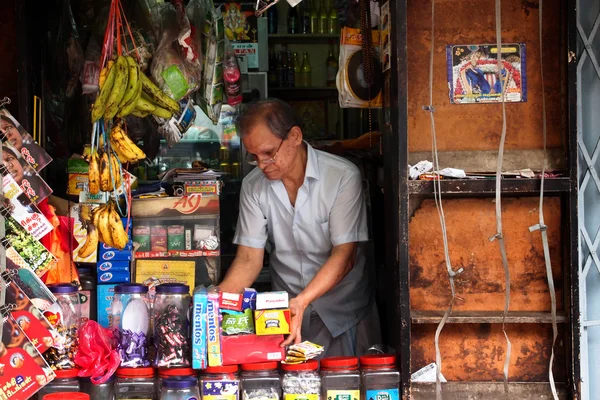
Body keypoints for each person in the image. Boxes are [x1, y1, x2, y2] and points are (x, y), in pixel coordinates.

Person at [218, 99, 380, 358]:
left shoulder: (341, 177)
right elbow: (249, 259)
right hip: (287, 312)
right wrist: (215, 304)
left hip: (342, 311)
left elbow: (345, 255)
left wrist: (303, 301)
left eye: (269, 152)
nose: (261, 164)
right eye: (254, 156)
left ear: (294, 136)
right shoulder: (253, 186)